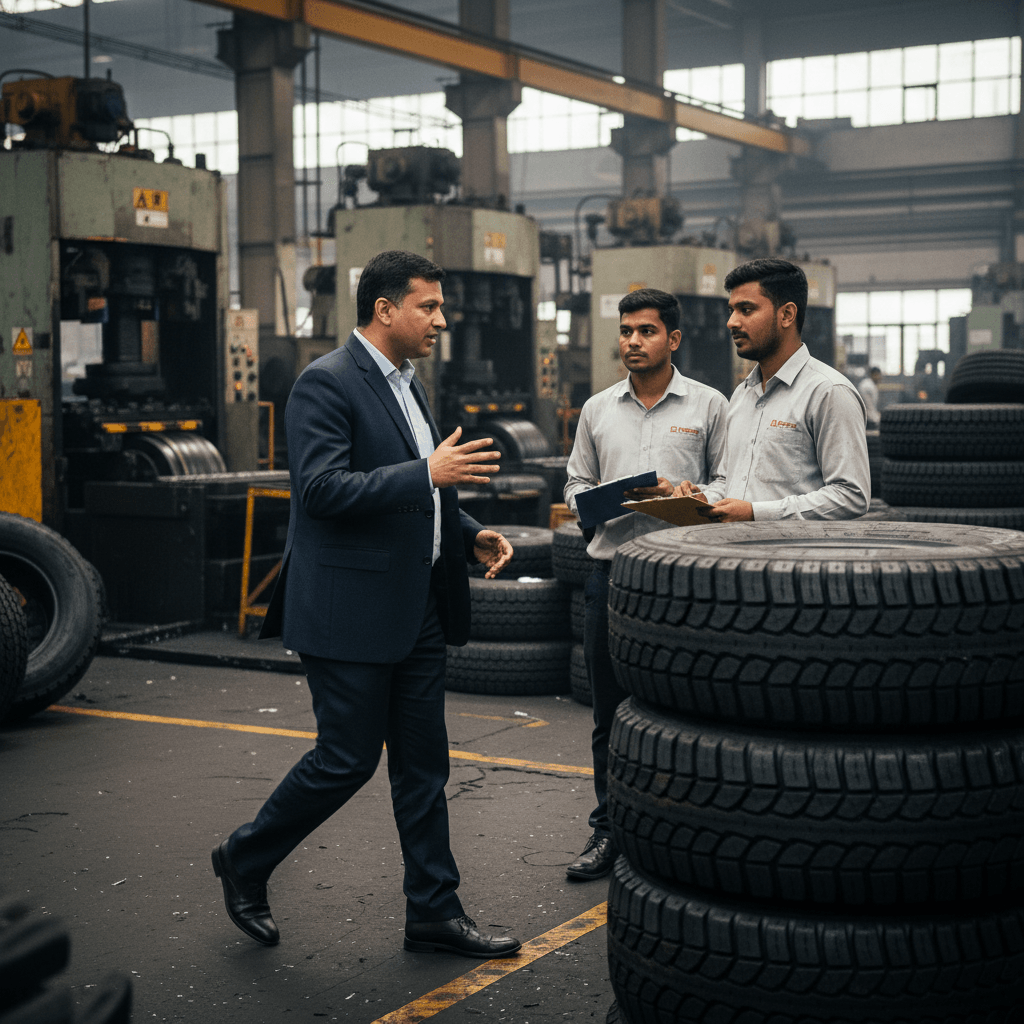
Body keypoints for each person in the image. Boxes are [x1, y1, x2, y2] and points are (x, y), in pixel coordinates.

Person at [212, 250, 521, 959]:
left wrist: (468, 535)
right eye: (429, 307)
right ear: (386, 310)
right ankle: (245, 858)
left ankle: (434, 912)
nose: (442, 320)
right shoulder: (324, 384)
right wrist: (427, 470)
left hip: (416, 605)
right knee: (345, 759)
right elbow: (322, 491)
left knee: (423, 765)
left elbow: (422, 492)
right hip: (350, 609)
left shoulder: (409, 385)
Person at [563, 288, 728, 881]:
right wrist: (600, 500)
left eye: (646, 331)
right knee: (610, 714)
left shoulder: (711, 406)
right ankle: (608, 831)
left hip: (685, 583)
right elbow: (576, 484)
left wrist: (695, 496)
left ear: (673, 339)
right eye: (627, 331)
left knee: (691, 711)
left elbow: (730, 482)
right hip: (610, 578)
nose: (633, 341)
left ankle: (691, 831)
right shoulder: (597, 409)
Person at [677, 258, 869, 522]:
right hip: (736, 557)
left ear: (787, 315)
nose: (731, 322)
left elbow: (851, 495)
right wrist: (705, 498)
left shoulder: (828, 392)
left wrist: (756, 513)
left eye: (746, 310)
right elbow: (731, 482)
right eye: (731, 310)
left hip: (792, 560)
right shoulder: (742, 395)